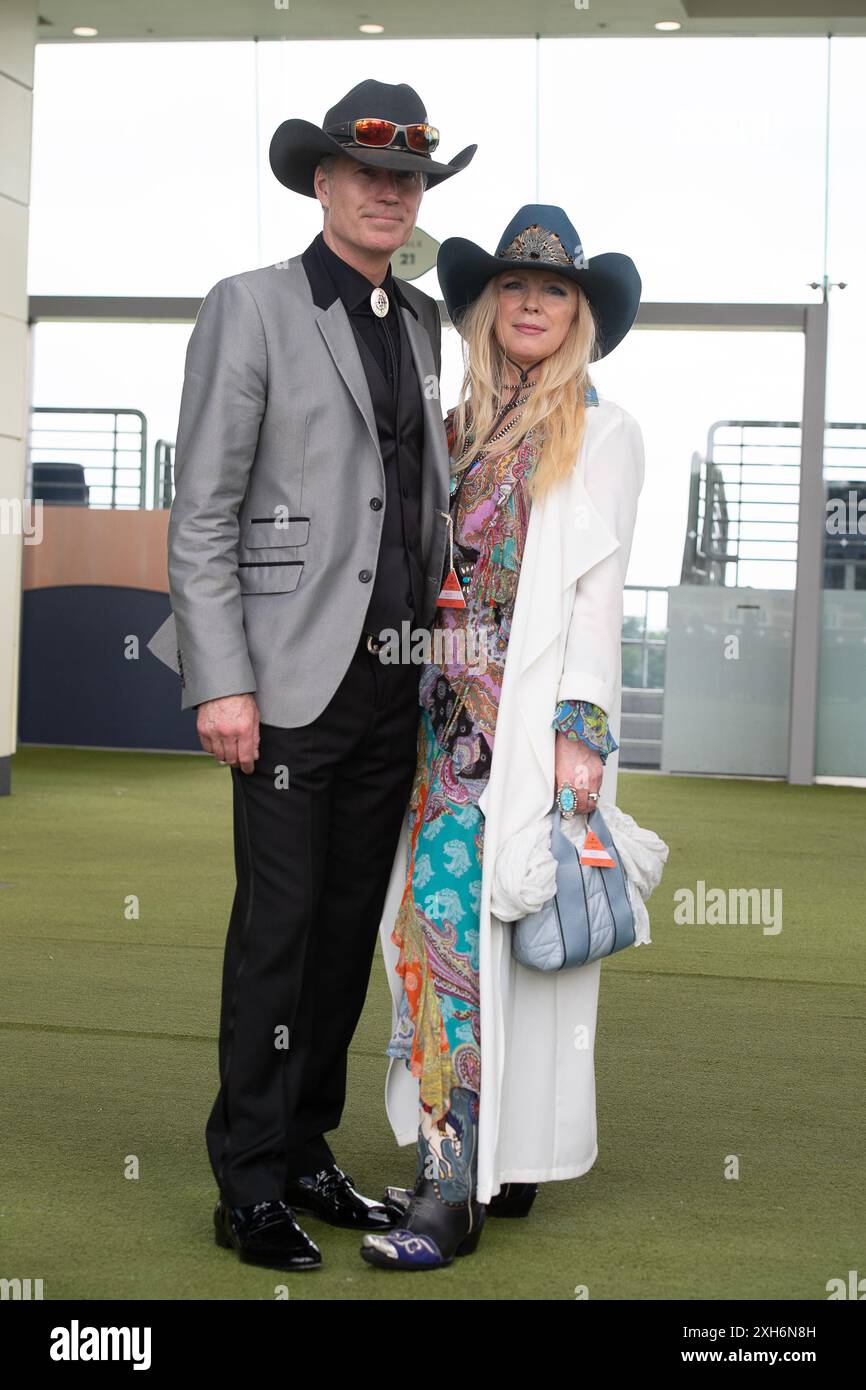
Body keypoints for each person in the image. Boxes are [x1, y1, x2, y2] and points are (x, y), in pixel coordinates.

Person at [147, 79, 476, 1272]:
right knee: (276, 932)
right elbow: (203, 513)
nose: (389, 192)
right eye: (366, 172)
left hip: (396, 681)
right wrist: (217, 679)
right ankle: (245, 1184)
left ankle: (303, 1147)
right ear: (323, 183)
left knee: (346, 933)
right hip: (285, 679)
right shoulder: (253, 307)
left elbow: (420, 502)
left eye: (407, 178)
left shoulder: (427, 323)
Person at [359, 205, 645, 1270]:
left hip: (519, 736)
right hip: (432, 723)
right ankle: (490, 1159)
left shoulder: (602, 431)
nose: (530, 303)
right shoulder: (453, 426)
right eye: (513, 288)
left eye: (554, 291)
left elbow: (596, 598)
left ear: (578, 315)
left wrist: (581, 735)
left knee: (458, 940)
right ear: (485, 308)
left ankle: (449, 1186)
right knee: (436, 941)